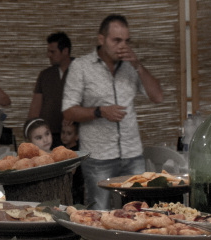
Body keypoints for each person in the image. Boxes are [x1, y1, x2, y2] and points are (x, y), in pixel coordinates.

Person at [62, 14, 165, 209]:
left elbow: (158, 97)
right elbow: (68, 111)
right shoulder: (81, 67)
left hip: (132, 153)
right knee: (98, 211)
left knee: (139, 210)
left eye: (126, 41)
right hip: (98, 156)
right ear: (101, 39)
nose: (122, 46)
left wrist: (138, 65)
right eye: (116, 40)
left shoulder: (132, 67)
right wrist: (100, 111)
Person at [27, 32, 73, 139]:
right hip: (48, 135)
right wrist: (31, 130)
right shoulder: (45, 75)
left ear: (65, 51)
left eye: (53, 52)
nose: (49, 55)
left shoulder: (81, 70)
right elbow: (35, 107)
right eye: (48, 51)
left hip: (74, 135)